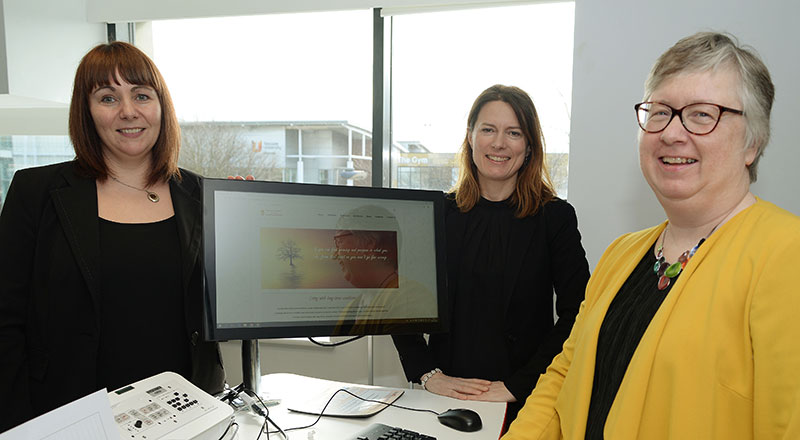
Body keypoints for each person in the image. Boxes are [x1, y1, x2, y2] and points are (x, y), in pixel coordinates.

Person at [503, 32, 800, 440]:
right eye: (659, 112)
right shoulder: (621, 255)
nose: (672, 133)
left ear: (753, 141)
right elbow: (563, 377)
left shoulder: (787, 255)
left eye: (701, 114)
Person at [0, 41, 225, 432]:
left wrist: (246, 229)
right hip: (69, 417)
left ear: (161, 107)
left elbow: (225, 304)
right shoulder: (35, 192)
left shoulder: (203, 196)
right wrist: (18, 426)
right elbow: (5, 320)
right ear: (87, 112)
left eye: (141, 95)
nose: (128, 111)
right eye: (107, 97)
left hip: (187, 414)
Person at [392, 84, 590, 427]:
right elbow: (399, 301)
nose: (499, 143)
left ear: (529, 146)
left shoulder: (554, 218)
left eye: (513, 132)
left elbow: (580, 312)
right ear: (470, 137)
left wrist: (517, 386)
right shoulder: (437, 214)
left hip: (526, 401)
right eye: (488, 130)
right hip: (443, 400)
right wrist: (427, 374)